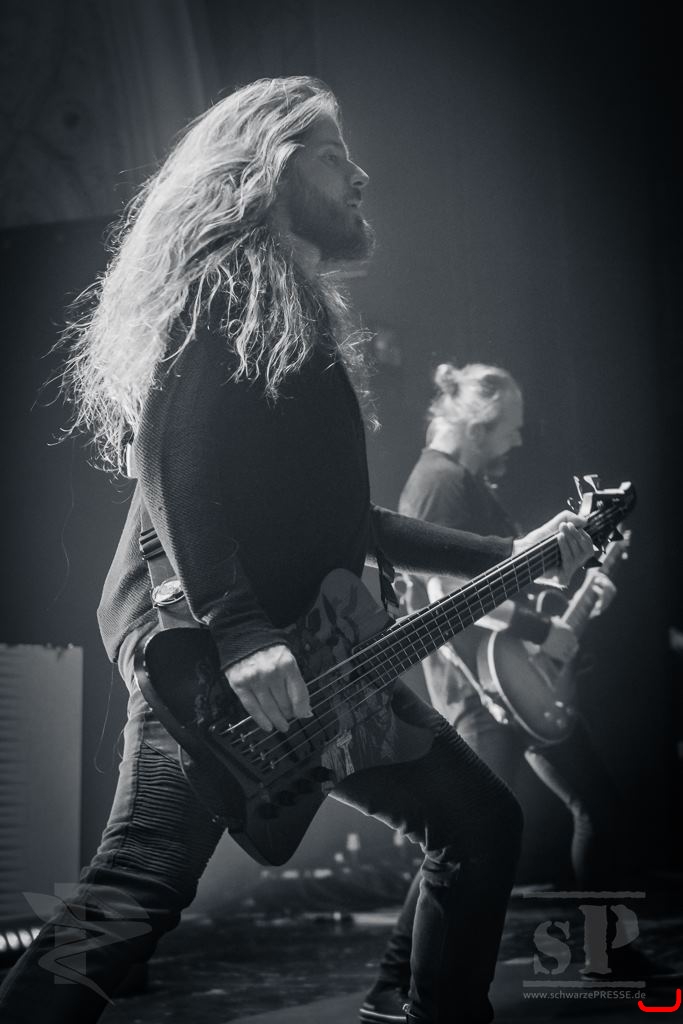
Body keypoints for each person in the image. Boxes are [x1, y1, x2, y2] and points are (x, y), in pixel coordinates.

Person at [0, 78, 593, 1024]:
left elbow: (357, 524)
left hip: (319, 660)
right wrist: (240, 634)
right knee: (138, 888)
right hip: (219, 665)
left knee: (479, 823)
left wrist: (512, 552)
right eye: (331, 155)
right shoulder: (222, 287)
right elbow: (173, 464)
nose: (359, 176)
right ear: (267, 168)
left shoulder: (291, 309)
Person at [360, 363, 635, 1024]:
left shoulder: (464, 483)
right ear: (477, 425)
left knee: (587, 805)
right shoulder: (437, 482)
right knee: (463, 837)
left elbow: (502, 581)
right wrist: (543, 630)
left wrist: (571, 597)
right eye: (509, 428)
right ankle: (393, 987)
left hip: (509, 682)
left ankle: (609, 959)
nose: (516, 441)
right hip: (476, 689)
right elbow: (446, 593)